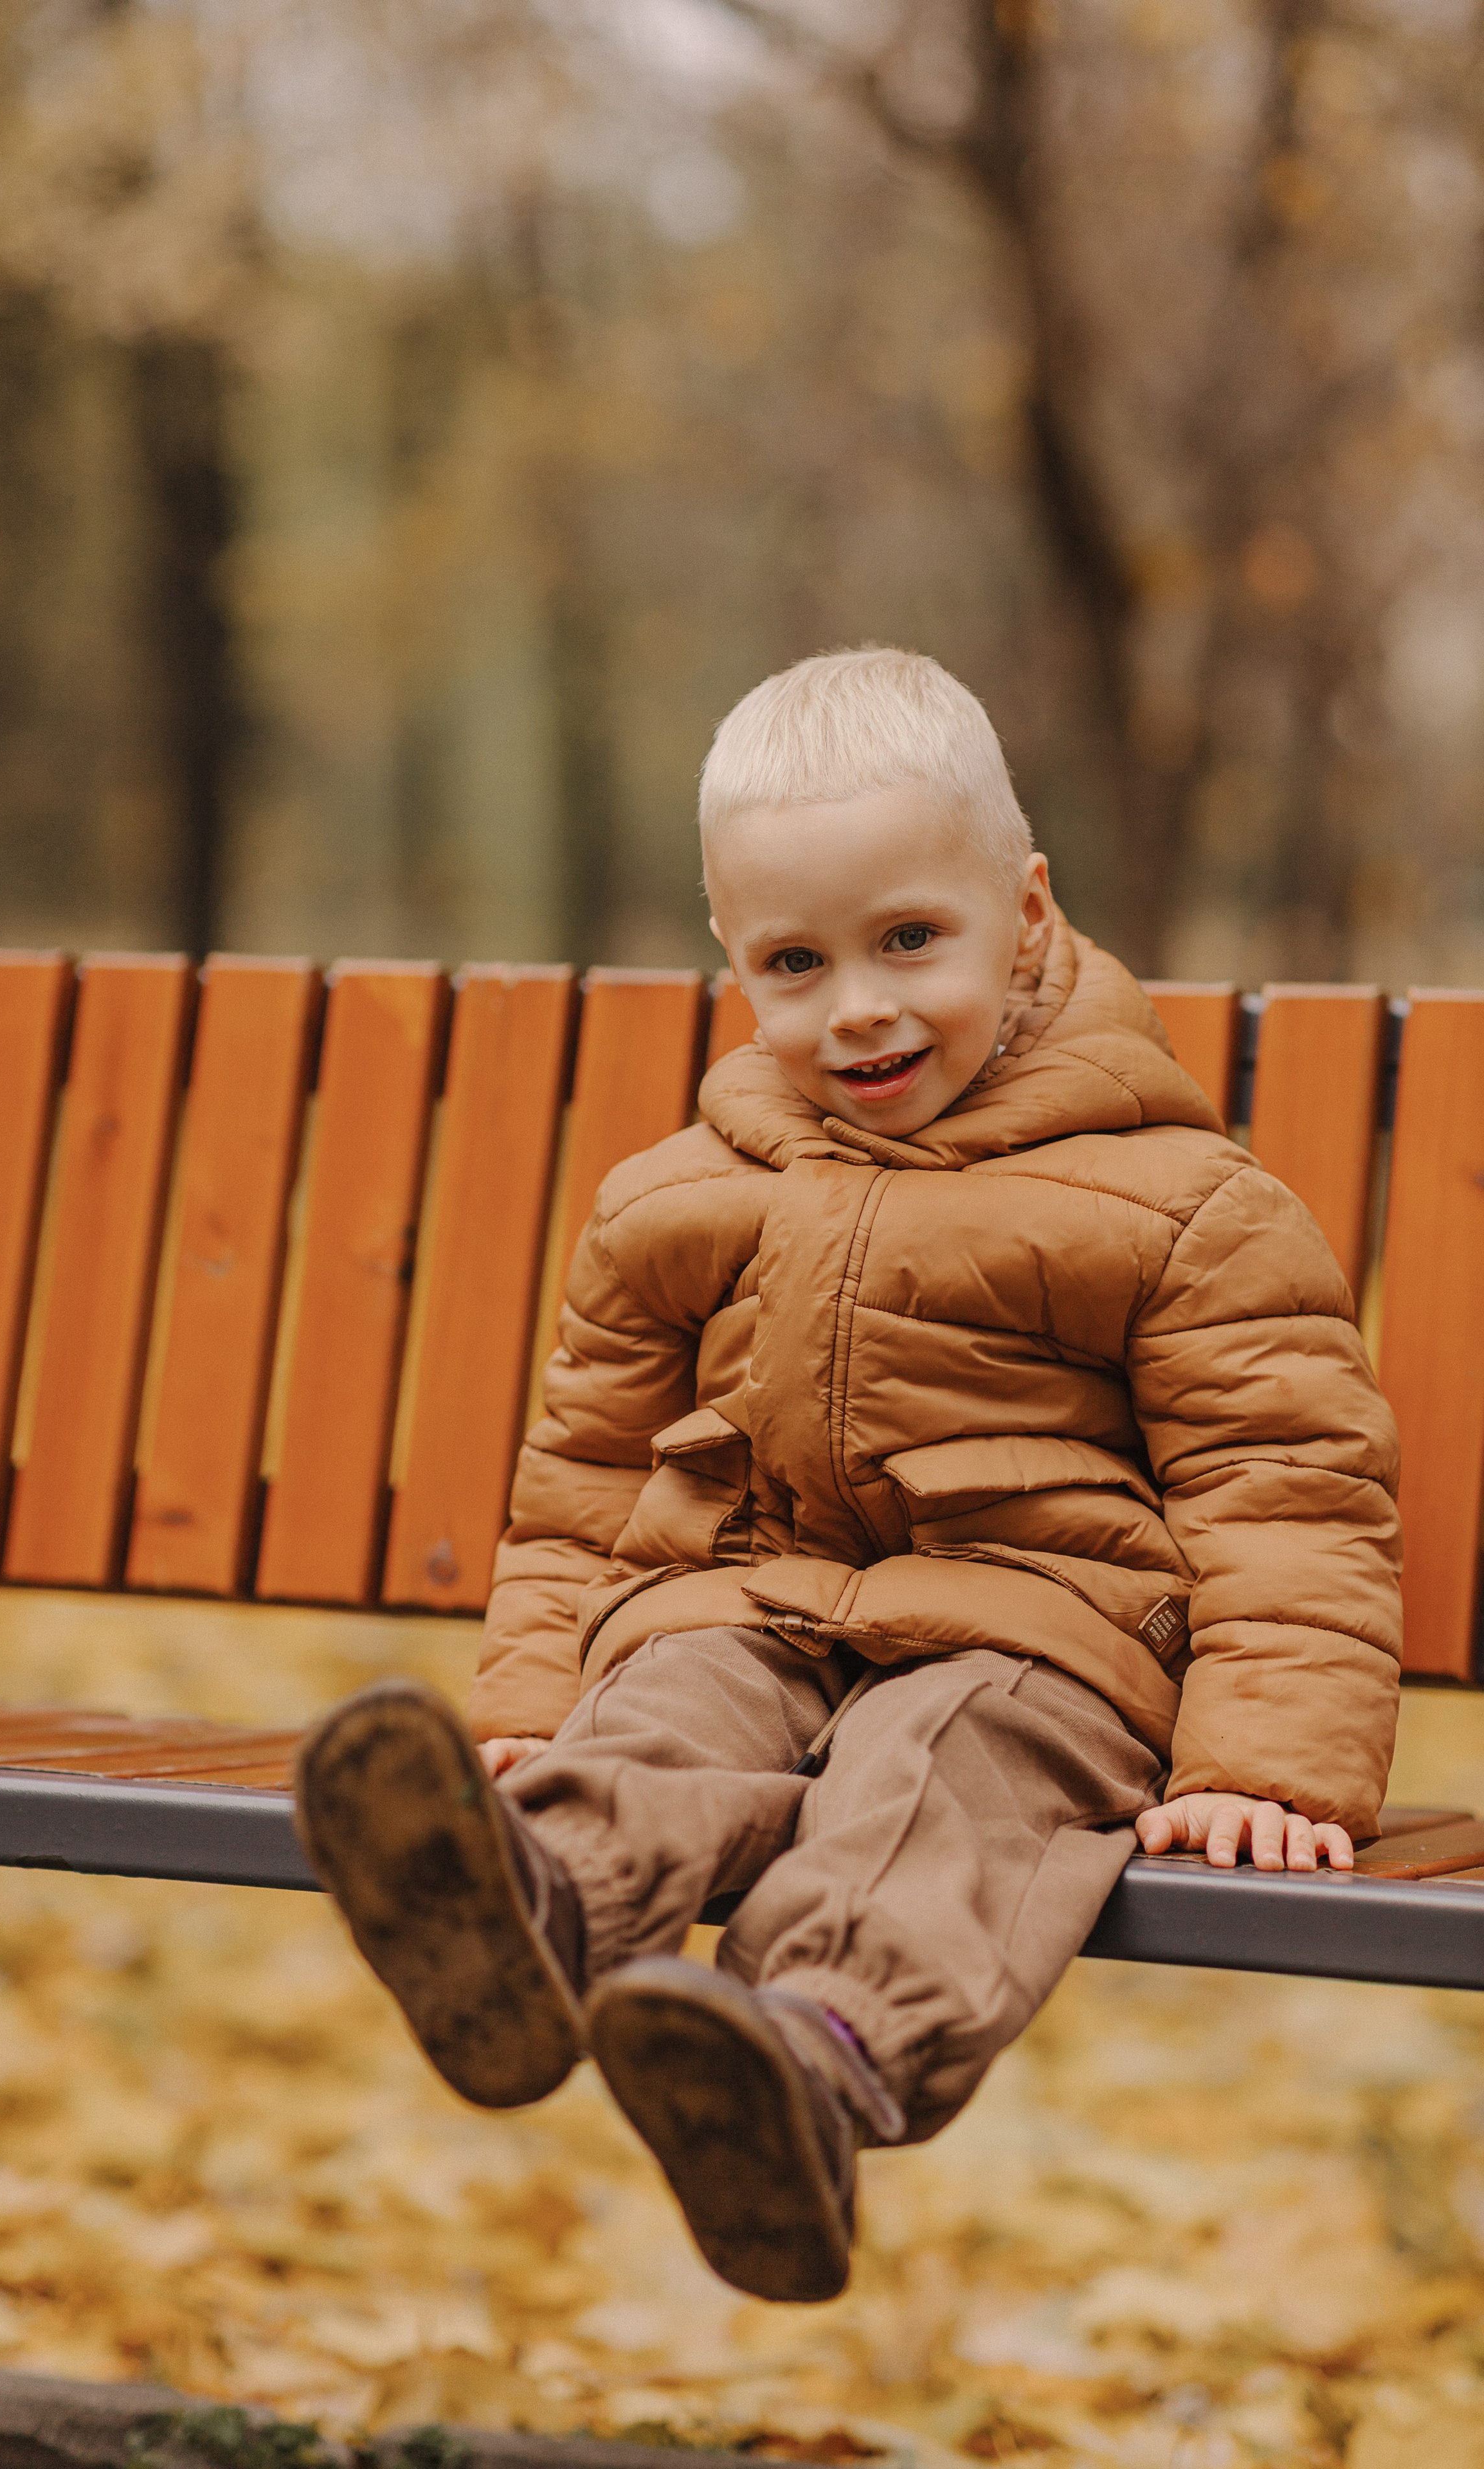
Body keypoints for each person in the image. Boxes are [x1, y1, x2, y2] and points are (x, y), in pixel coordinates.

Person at [295, 648, 1402, 2306]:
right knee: (664, 1708)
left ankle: (810, 2063)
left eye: (909, 941)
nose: (859, 1007)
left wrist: (1272, 1767)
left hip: (1037, 1640)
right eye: (795, 964)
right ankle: (526, 1920)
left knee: (940, 1774)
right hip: (744, 1600)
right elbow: (588, 1466)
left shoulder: (1181, 1203)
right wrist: (535, 1686)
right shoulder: (680, 1193)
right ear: (734, 966)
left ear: (1024, 915)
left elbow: (1284, 1484)